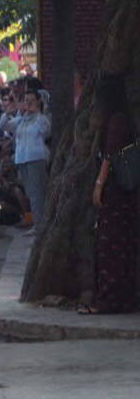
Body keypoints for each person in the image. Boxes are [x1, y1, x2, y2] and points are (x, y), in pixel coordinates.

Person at [85, 74, 137, 314]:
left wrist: (98, 185)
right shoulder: (122, 118)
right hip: (124, 195)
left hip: (116, 193)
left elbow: (110, 157)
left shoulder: (116, 122)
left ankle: (108, 299)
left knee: (111, 247)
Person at [4, 88, 51, 231]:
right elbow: (4, 126)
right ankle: (37, 222)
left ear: (38, 101)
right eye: (26, 100)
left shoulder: (41, 119)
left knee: (38, 192)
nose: (28, 103)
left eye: (31, 100)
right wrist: (8, 113)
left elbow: (46, 131)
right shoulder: (21, 120)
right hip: (22, 159)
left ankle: (39, 225)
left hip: (36, 158)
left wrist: (37, 111)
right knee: (30, 192)